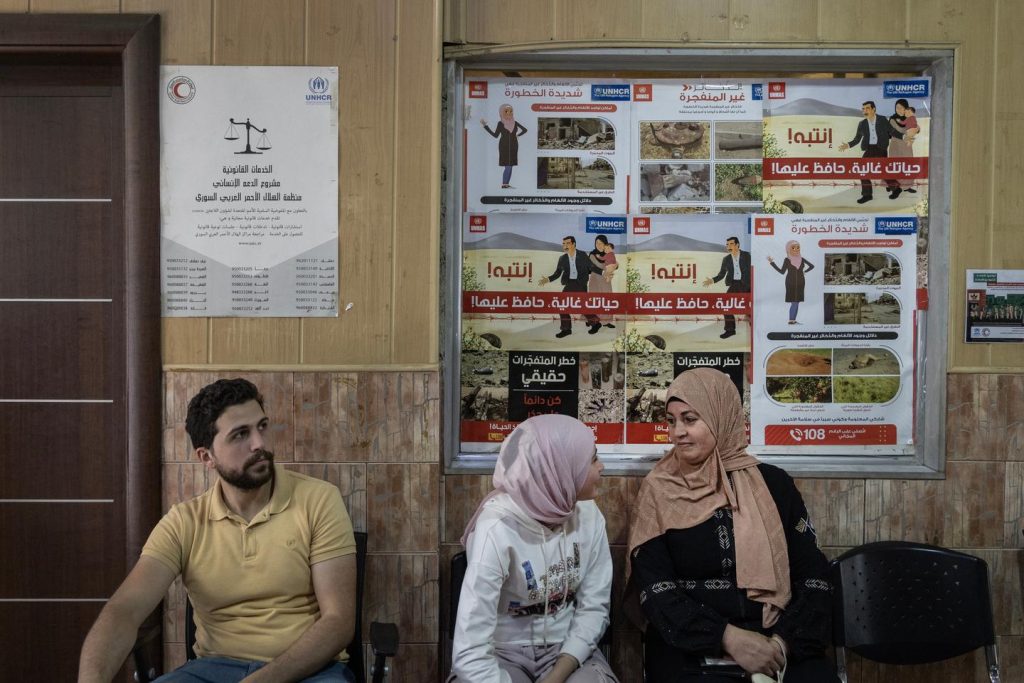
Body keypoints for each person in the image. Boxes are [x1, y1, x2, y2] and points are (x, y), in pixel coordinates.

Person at [78, 379, 357, 683]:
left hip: (309, 671)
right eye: (240, 434)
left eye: (262, 427)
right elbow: (125, 610)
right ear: (206, 457)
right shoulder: (184, 522)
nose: (259, 444)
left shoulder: (319, 500)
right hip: (212, 671)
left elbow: (338, 621)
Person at [625, 368, 837, 683]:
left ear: (721, 417)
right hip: (690, 644)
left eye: (690, 419)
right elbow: (656, 590)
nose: (677, 432)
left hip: (775, 638)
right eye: (671, 421)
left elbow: (814, 577)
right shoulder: (659, 490)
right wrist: (727, 638)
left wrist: (782, 644)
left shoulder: (774, 485)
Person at [449, 415, 618, 683]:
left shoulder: (588, 513)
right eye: (593, 459)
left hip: (567, 651)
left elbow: (594, 607)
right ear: (560, 468)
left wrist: (558, 674)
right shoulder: (496, 527)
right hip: (501, 653)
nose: (602, 467)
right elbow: (470, 651)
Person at [837, 100, 908, 203]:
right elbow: (857, 139)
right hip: (869, 149)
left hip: (881, 148)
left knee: (883, 171)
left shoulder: (882, 119)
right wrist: (848, 145)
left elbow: (892, 131)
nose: (865, 111)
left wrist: (903, 137)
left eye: (867, 108)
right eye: (863, 109)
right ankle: (867, 195)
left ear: (873, 109)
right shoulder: (862, 124)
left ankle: (896, 189)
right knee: (862, 170)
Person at [539, 235, 606, 338]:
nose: (565, 246)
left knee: (582, 306)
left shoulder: (582, 255)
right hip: (569, 283)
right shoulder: (562, 258)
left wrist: (603, 273)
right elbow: (557, 273)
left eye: (568, 243)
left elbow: (591, 267)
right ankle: (566, 329)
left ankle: (595, 323)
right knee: (562, 305)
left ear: (574, 244)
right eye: (563, 244)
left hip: (580, 283)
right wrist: (547, 279)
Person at [702, 236, 751, 339]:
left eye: (731, 244)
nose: (729, 246)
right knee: (726, 305)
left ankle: (753, 325)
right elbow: (722, 274)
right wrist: (712, 280)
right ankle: (730, 330)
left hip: (747, 284)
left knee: (750, 306)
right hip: (734, 284)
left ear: (737, 245)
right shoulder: (726, 259)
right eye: (727, 244)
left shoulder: (747, 256)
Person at [482, 104, 528, 189]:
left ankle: (506, 184)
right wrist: (485, 126)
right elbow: (495, 135)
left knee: (511, 166)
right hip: (504, 146)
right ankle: (504, 184)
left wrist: (518, 135)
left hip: (514, 145)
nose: (509, 113)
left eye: (511, 111)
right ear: (502, 113)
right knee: (508, 165)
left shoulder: (515, 123)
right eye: (506, 111)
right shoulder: (500, 123)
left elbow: (525, 130)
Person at [767, 241, 814, 324]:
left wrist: (805, 271)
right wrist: (772, 263)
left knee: (797, 302)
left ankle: (793, 320)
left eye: (798, 247)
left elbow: (812, 266)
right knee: (794, 302)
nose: (796, 249)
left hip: (801, 282)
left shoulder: (802, 259)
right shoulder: (787, 260)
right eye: (793, 247)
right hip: (790, 283)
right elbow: (782, 271)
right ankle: (791, 320)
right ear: (788, 249)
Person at [887, 99, 921, 192]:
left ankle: (907, 186)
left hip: (906, 146)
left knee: (907, 165)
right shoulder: (892, 119)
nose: (898, 110)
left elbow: (917, 128)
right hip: (896, 146)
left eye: (901, 108)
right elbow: (894, 131)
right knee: (896, 166)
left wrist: (916, 128)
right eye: (897, 107)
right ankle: (894, 187)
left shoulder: (909, 118)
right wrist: (910, 131)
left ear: (906, 108)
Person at [587, 235, 619, 329]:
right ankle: (594, 322)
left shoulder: (608, 253)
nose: (598, 245)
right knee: (595, 300)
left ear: (605, 244)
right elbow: (594, 266)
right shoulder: (592, 254)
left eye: (601, 243)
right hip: (595, 280)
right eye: (597, 243)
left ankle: (606, 321)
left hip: (605, 281)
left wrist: (615, 265)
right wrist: (607, 269)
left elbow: (615, 264)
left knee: (606, 300)